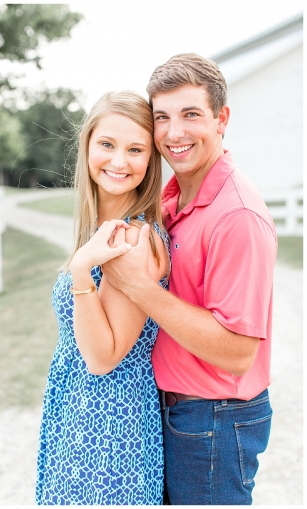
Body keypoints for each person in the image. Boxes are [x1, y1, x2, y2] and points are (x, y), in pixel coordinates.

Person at [102, 53, 276, 505]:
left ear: (222, 119)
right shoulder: (174, 196)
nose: (174, 133)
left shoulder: (237, 216)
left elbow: (238, 353)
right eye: (162, 118)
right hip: (180, 411)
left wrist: (140, 287)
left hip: (214, 419)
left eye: (191, 115)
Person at [36, 91, 170, 505]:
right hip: (76, 413)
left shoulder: (132, 238)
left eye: (135, 149)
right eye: (107, 145)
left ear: (150, 160)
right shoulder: (103, 228)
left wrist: (80, 270)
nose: (118, 161)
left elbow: (103, 357)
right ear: (88, 145)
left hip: (109, 427)